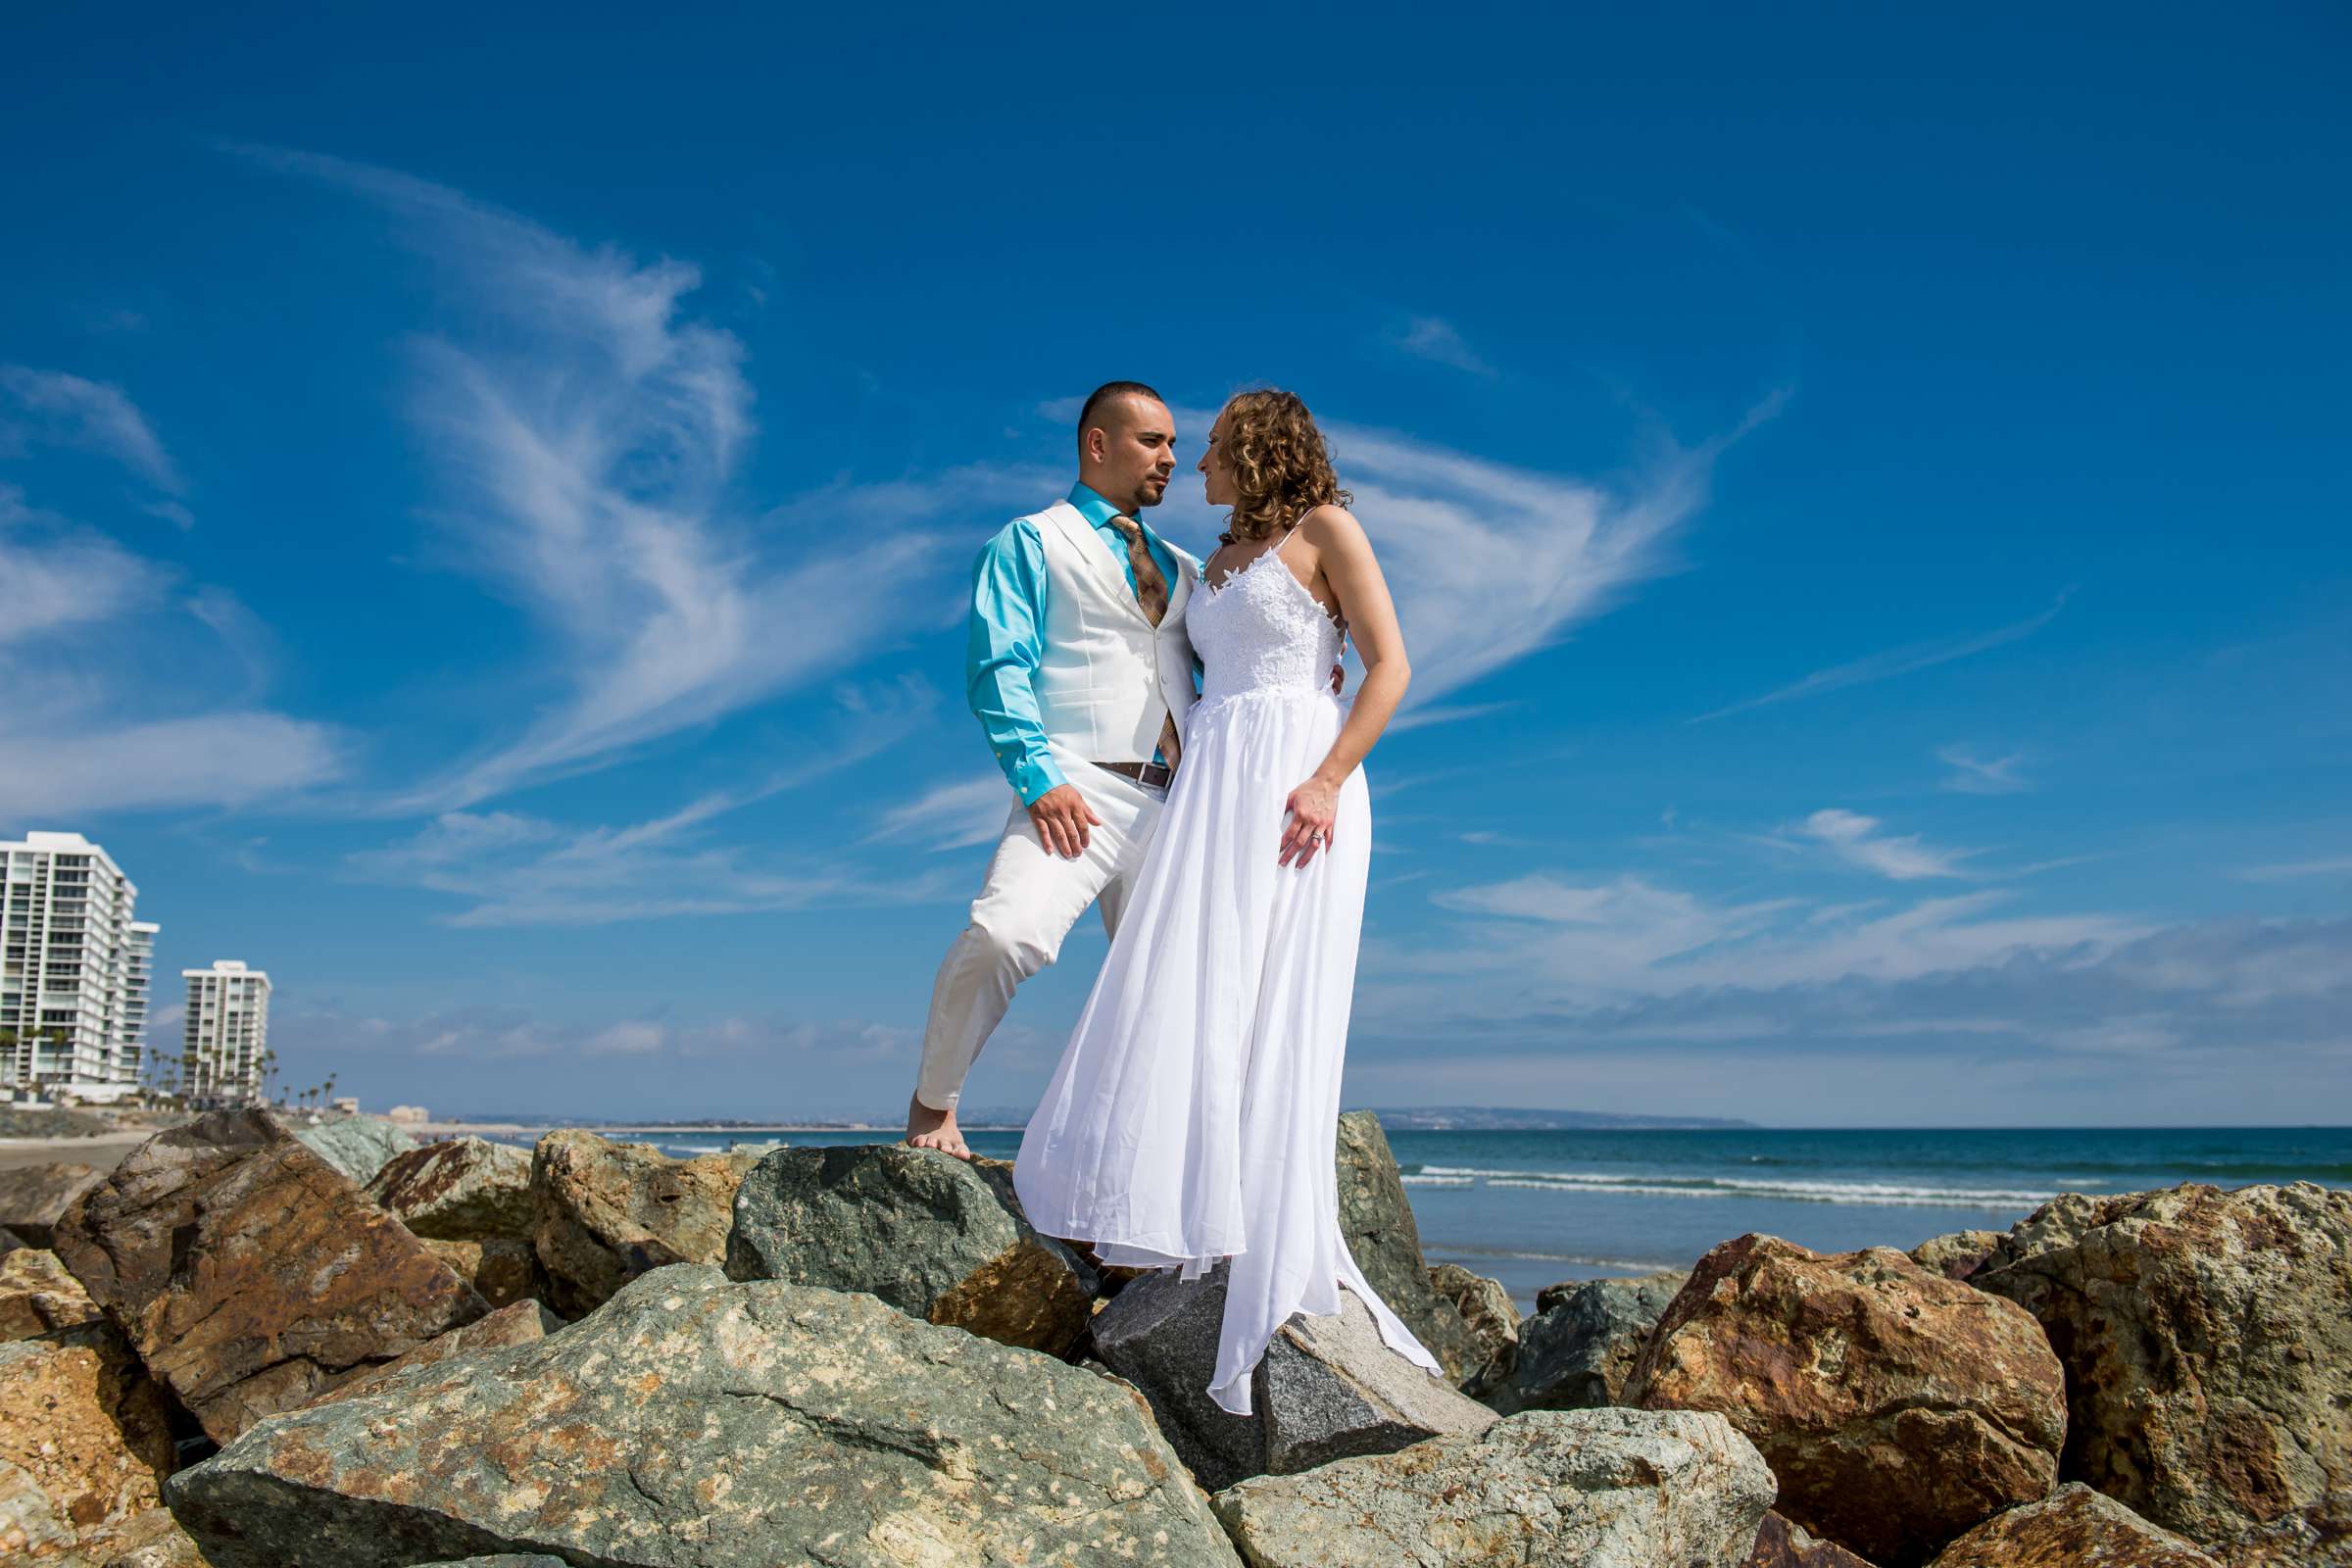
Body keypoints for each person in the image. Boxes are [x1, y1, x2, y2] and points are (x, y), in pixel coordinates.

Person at [1013, 388, 1442, 1415]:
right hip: (1214, 784)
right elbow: (1173, 659)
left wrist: (1330, 775)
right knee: (1202, 990)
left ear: (1254, 451)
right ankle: (1205, 1216)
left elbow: (1390, 667)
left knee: (1278, 992)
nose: (1195, 468)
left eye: (1208, 450)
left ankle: (1271, 1235)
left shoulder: (1326, 528)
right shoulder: (1211, 567)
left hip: (1300, 780)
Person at [905, 382, 1201, 1159]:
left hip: (1178, 803)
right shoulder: (1031, 542)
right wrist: (1039, 779)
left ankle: (1136, 1171)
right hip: (1076, 785)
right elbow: (997, 669)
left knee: (1169, 995)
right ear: (1098, 445)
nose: (1172, 458)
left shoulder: (1184, 567)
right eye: (1153, 442)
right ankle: (933, 1103)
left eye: (1173, 443)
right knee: (1008, 934)